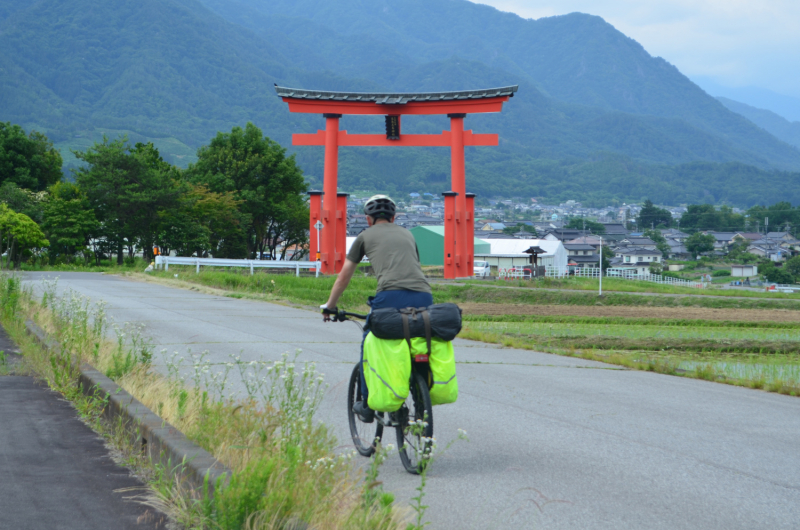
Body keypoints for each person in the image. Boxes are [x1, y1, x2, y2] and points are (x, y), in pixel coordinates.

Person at [321, 194, 432, 423]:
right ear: (393, 217)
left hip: (389, 296)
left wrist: (330, 306)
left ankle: (366, 402)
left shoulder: (364, 236)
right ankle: (420, 397)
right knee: (416, 337)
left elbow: (343, 278)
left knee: (369, 339)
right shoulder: (408, 234)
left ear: (368, 219)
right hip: (424, 296)